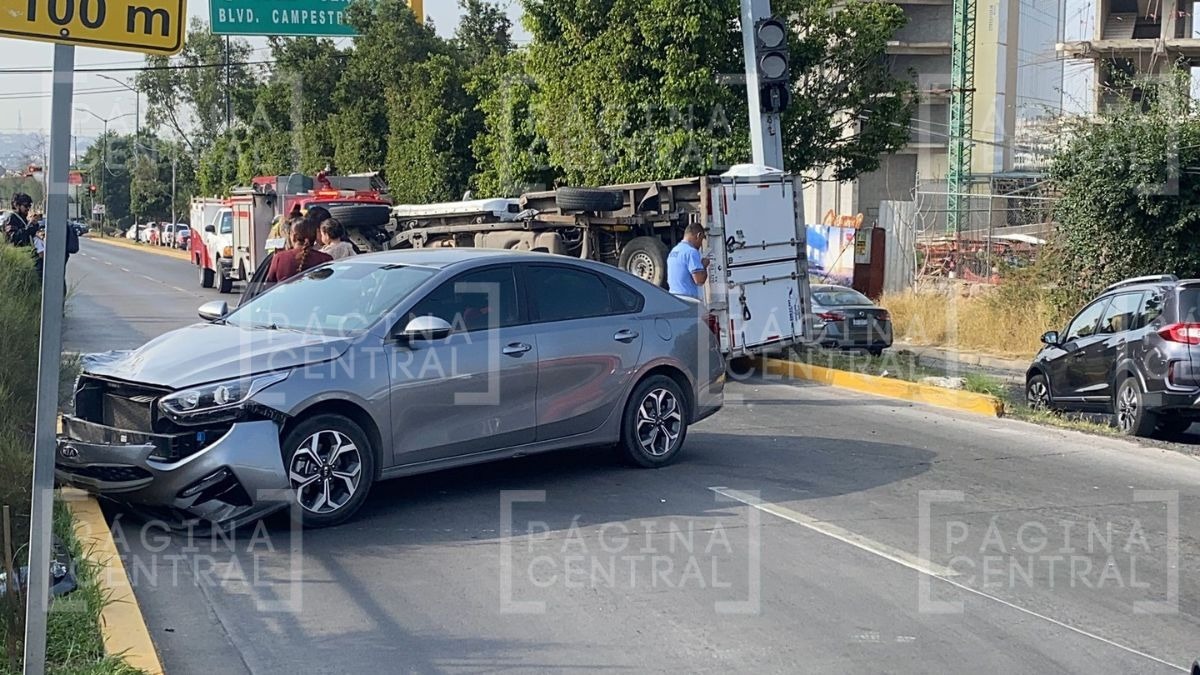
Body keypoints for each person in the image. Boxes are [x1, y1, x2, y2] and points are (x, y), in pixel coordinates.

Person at [265, 218, 332, 283]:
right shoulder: (326, 259)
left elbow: (269, 286)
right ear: (314, 236)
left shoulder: (279, 258)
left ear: (294, 236)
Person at [667, 223, 710, 300]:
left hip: (673, 298)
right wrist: (704, 265)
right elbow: (699, 280)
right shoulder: (691, 252)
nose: (701, 244)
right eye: (702, 239)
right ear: (698, 235)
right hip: (688, 300)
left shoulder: (674, 251)